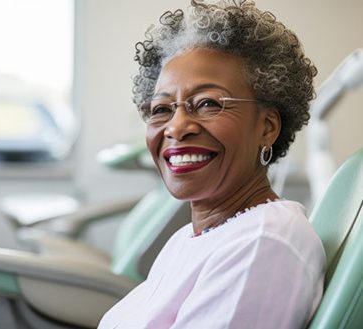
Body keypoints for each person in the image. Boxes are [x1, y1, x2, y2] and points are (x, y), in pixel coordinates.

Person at [98, 1, 326, 328]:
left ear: (267, 127)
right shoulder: (187, 239)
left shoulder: (262, 244)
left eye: (207, 103)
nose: (175, 128)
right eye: (161, 109)